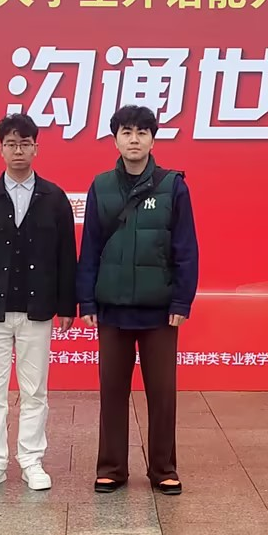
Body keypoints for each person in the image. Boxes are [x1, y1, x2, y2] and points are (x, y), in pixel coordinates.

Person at [77, 105, 199, 496]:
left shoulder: (173, 186)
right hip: (112, 310)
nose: (134, 139)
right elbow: (90, 246)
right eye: (127, 132)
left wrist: (181, 302)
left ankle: (163, 468)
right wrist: (87, 301)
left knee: (162, 394)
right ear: (115, 139)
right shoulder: (101, 186)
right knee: (112, 391)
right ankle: (112, 468)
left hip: (159, 311)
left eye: (142, 132)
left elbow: (186, 249)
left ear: (152, 139)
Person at [0, 113, 77, 492]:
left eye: (25, 144)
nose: (18, 150)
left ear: (36, 148)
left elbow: (66, 256)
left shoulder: (54, 198)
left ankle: (31, 460)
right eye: (11, 144)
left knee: (34, 390)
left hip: (37, 310)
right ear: (0, 149)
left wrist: (67, 305)